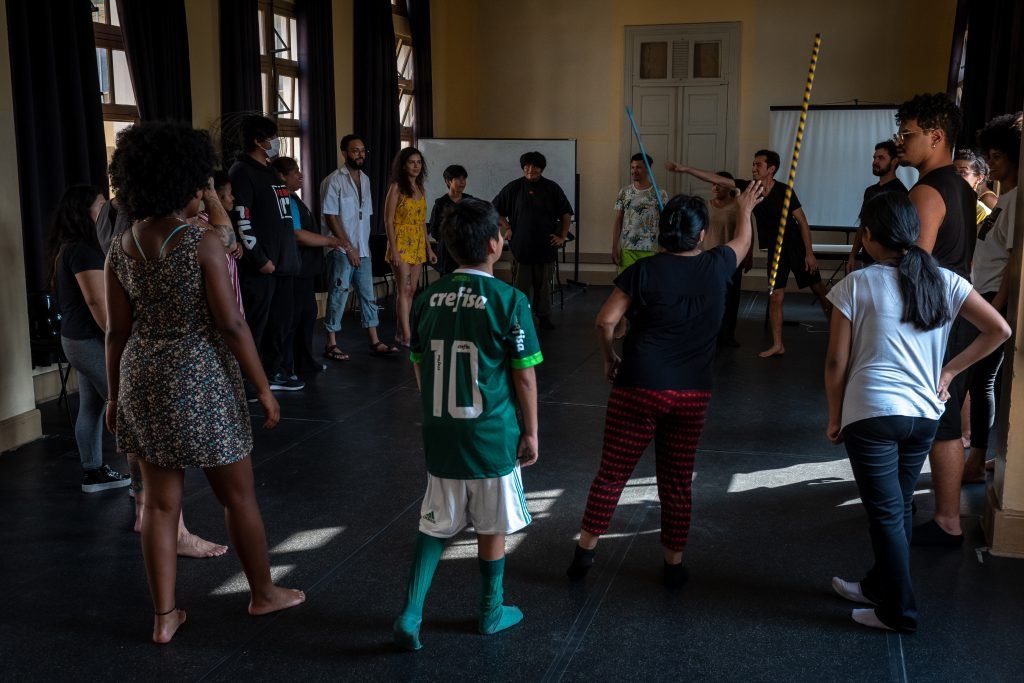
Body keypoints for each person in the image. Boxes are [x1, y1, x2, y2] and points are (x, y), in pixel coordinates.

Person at [105, 121, 304, 644]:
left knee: (160, 504)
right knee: (238, 497)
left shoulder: (120, 245)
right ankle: (263, 593)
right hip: (201, 376)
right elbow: (232, 324)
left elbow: (115, 332)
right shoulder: (199, 242)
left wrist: (111, 396)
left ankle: (164, 616)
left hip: (141, 375)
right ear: (184, 179)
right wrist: (262, 386)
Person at [824, 192, 1008, 632]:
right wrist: (948, 372)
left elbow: (835, 363)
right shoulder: (946, 280)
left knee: (886, 512)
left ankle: (899, 611)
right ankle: (876, 585)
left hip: (871, 413)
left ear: (868, 236)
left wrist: (834, 416)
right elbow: (999, 329)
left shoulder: (856, 283)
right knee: (899, 507)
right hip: (924, 414)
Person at [566, 182, 763, 586]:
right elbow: (743, 241)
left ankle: (583, 556)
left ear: (662, 233)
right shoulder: (717, 264)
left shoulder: (642, 271)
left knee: (612, 474)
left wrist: (608, 357)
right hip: (692, 393)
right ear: (701, 235)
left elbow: (605, 321)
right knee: (676, 480)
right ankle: (674, 564)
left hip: (638, 386)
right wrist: (745, 208)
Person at [393, 198, 542, 651]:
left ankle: (410, 613)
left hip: (440, 433)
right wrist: (531, 431)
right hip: (491, 434)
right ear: (495, 244)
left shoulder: (424, 300)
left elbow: (419, 366)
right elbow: (524, 376)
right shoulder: (510, 300)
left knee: (435, 522)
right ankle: (490, 611)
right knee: (492, 522)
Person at [892, 94, 978, 546]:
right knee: (943, 417)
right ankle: (947, 516)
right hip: (956, 313)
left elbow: (916, 263)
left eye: (908, 135)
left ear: (936, 136)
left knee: (935, 417)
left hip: (935, 321)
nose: (900, 142)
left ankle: (945, 521)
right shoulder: (961, 186)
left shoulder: (926, 190)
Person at [667, 150, 829, 357]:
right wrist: (686, 169)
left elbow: (803, 223)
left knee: (819, 290)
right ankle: (778, 344)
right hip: (775, 250)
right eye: (753, 164)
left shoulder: (784, 191)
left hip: (796, 247)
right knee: (775, 296)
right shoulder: (749, 188)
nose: (753, 168)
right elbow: (719, 179)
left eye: (758, 165)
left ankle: (837, 328)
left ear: (771, 169)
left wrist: (809, 253)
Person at [47, 186, 131, 493]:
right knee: (126, 406)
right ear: (84, 213)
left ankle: (94, 472)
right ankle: (143, 487)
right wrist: (119, 341)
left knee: (93, 406)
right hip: (88, 341)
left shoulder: (78, 246)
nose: (105, 212)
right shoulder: (82, 249)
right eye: (100, 206)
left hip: (80, 340)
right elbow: (97, 303)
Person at [963, 113, 1021, 483]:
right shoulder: (1003, 200)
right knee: (977, 380)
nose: (993, 162)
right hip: (979, 296)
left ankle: (977, 456)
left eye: (998, 156)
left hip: (990, 301)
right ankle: (982, 454)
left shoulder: (1016, 201)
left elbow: (1014, 263)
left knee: (982, 380)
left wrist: (995, 307)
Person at [228, 114, 304, 393]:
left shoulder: (271, 170)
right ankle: (248, 382)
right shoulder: (242, 172)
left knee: (282, 324)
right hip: (262, 268)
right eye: (272, 138)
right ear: (259, 141)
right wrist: (259, 259)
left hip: (284, 265)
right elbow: (242, 219)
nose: (276, 143)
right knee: (257, 325)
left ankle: (274, 372)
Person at [321, 134, 398, 360]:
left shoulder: (365, 179)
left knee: (368, 295)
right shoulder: (333, 180)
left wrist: (363, 247)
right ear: (344, 153)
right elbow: (331, 216)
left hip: (363, 250)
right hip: (341, 250)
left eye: (363, 150)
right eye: (355, 151)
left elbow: (365, 218)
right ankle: (331, 343)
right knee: (339, 293)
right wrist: (349, 247)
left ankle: (374, 340)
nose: (360, 154)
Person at [270, 156, 342, 376]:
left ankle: (304, 361)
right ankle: (286, 366)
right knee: (293, 320)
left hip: (307, 270)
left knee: (307, 316)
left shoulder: (294, 198)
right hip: (296, 270)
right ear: (282, 176)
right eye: (295, 172)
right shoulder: (286, 201)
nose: (300, 175)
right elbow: (298, 235)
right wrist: (331, 241)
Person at [493, 151, 574, 331]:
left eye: (535, 166)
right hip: (521, 246)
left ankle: (543, 317)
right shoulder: (513, 188)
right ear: (523, 168)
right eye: (527, 166)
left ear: (542, 168)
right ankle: (519, 318)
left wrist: (562, 236)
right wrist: (507, 227)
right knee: (520, 285)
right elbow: (496, 210)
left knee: (543, 286)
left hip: (546, 246)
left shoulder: (552, 188)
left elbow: (566, 213)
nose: (531, 170)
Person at [385, 147, 437, 348]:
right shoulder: (397, 187)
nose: (416, 166)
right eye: (411, 162)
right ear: (403, 165)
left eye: (419, 162)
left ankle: (401, 331)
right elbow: (388, 221)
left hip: (417, 241)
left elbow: (422, 222)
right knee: (403, 288)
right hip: (400, 241)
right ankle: (407, 334)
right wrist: (394, 250)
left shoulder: (420, 188)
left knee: (412, 289)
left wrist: (429, 249)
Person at [702, 171, 753, 347]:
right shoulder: (705, 206)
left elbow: (747, 232)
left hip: (731, 259)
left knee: (730, 300)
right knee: (709, 299)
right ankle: (709, 335)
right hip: (707, 258)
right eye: (714, 184)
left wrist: (748, 255)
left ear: (729, 187)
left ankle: (728, 336)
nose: (715, 187)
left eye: (720, 184)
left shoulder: (737, 207)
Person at [847, 140, 910, 272]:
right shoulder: (870, 191)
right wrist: (852, 256)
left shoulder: (900, 193)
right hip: (867, 259)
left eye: (881, 158)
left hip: (889, 264)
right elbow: (863, 226)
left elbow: (902, 230)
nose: (875, 162)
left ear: (894, 162)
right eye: (875, 157)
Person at [427, 164, 473, 276]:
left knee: (466, 284)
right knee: (448, 284)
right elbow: (434, 229)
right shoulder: (441, 203)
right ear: (448, 181)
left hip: (467, 251)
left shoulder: (470, 201)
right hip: (447, 252)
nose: (462, 182)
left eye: (464, 179)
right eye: (458, 179)